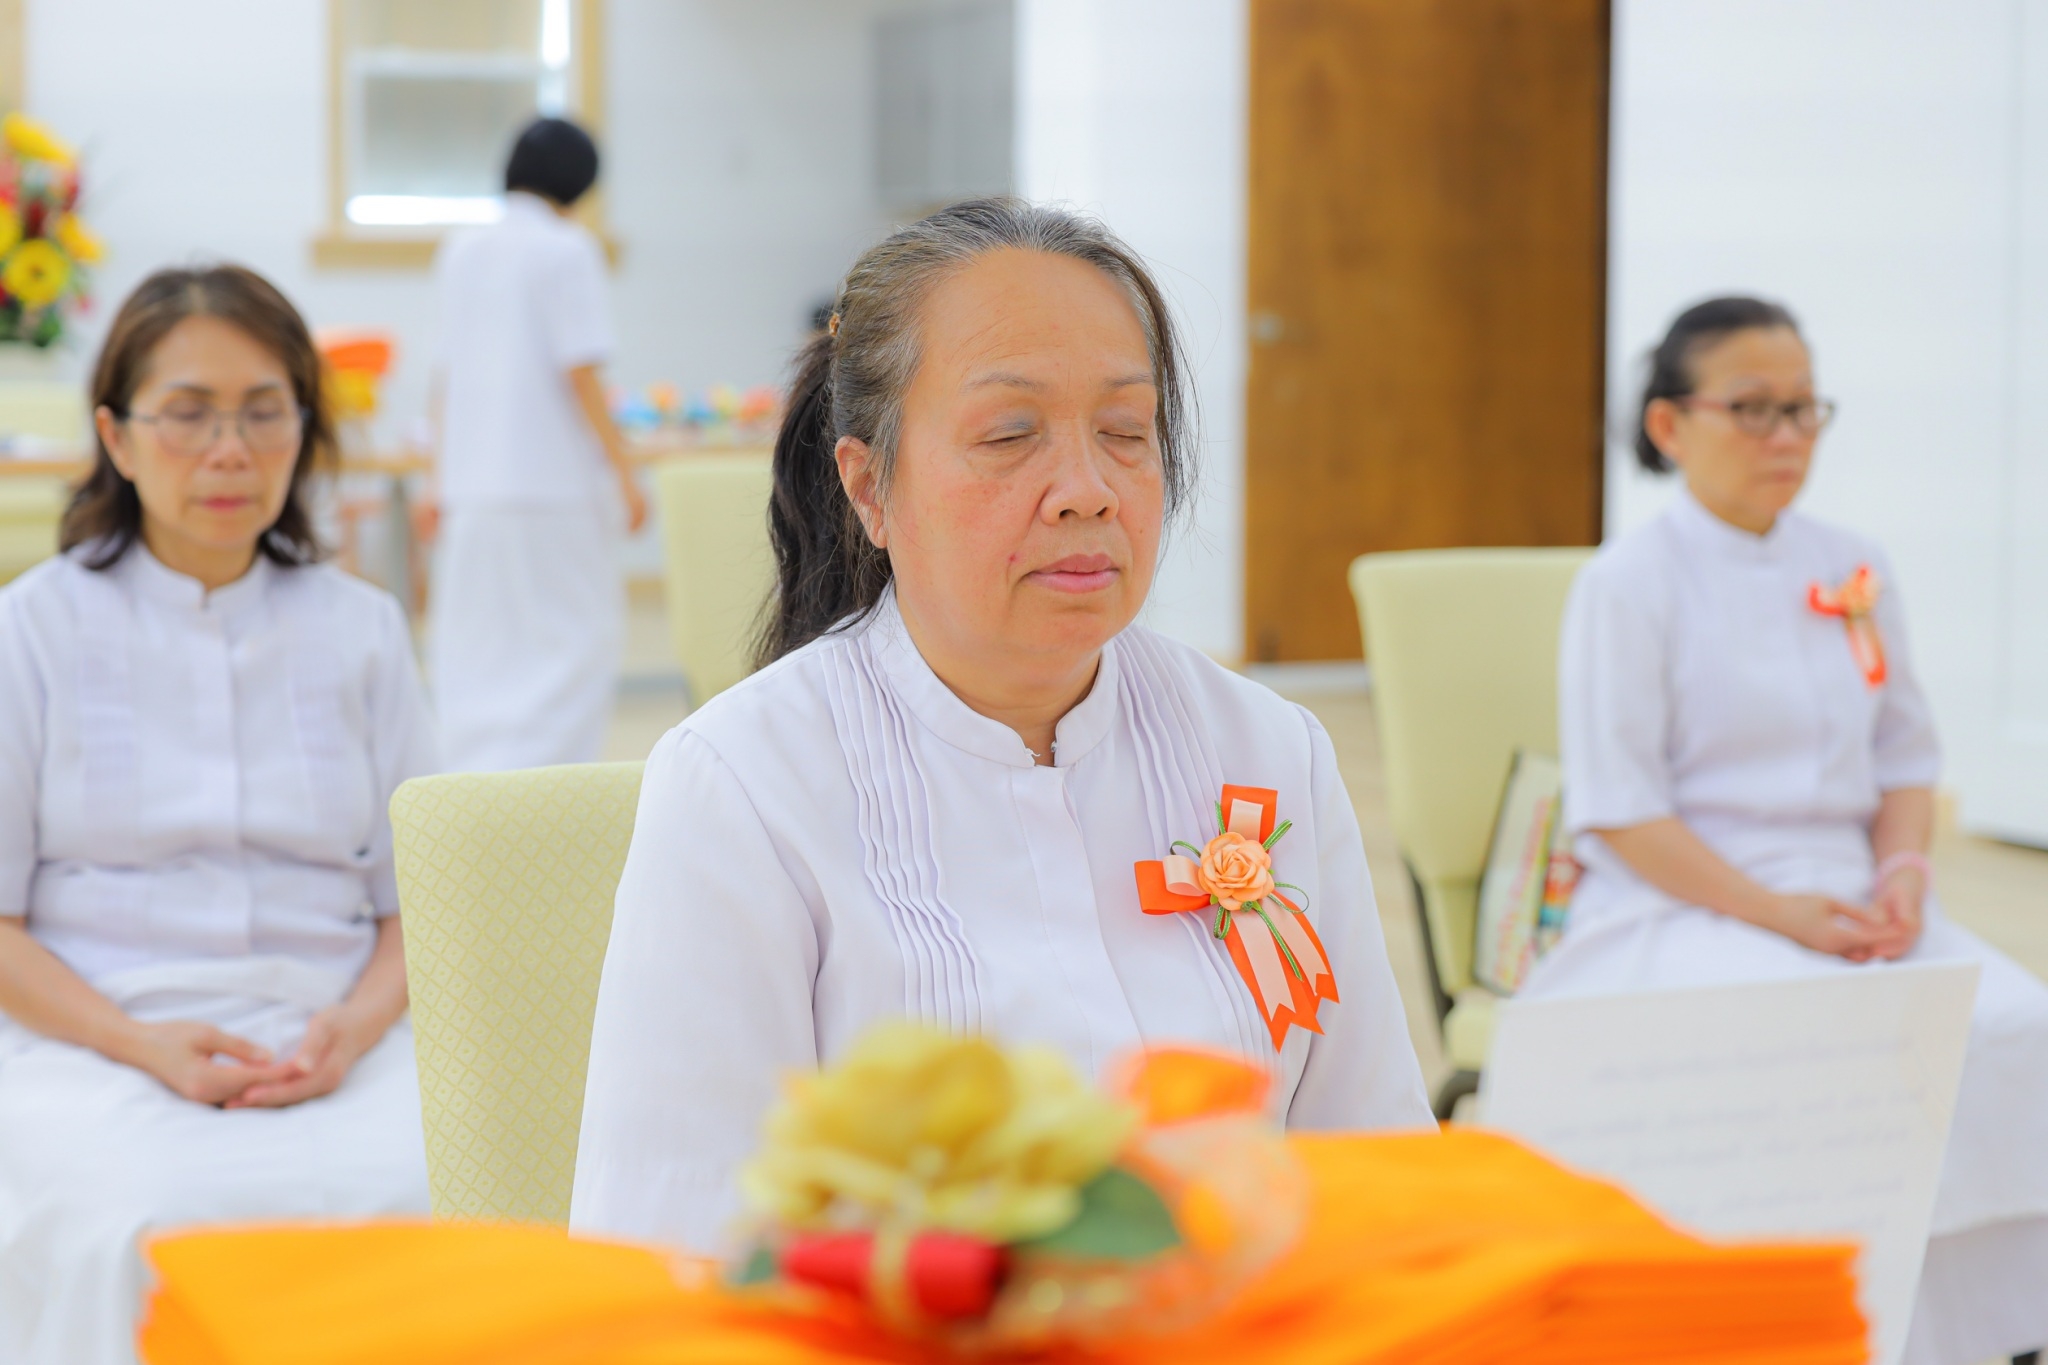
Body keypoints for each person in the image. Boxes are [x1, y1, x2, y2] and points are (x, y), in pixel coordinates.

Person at [569, 199, 1433, 1254]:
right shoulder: (744, 786)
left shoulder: (1266, 751)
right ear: (868, 488)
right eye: (1009, 435)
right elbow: (676, 1246)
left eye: (1125, 432)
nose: (1086, 491)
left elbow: (1380, 1166)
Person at [1522, 297, 2048, 1365]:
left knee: (2014, 1027)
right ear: (1668, 426)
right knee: (1828, 1053)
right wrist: (1779, 915)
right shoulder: (1626, 583)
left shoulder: (1851, 562)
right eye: (1752, 409)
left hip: (1857, 899)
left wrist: (1901, 873)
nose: (1785, 438)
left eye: (1804, 410)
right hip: (1682, 901)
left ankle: (1965, 1335)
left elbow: (1904, 758)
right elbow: (1620, 810)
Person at [0, 267, 437, 1363]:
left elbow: (418, 909)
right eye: (188, 415)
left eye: (262, 412)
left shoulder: (363, 629)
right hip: (92, 1038)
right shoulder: (32, 631)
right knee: (153, 1225)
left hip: (340, 1036)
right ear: (117, 433)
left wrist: (355, 1029)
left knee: (435, 1195)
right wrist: (137, 1042)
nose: (230, 450)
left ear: (304, 426)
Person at [428, 116, 647, 771]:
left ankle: (473, 805)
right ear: (580, 184)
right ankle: (545, 816)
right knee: (572, 651)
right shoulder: (565, 249)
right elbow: (579, 371)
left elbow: (444, 377)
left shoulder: (461, 250)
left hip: (472, 492)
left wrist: (436, 479)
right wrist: (626, 473)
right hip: (552, 493)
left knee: (475, 656)